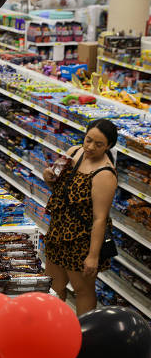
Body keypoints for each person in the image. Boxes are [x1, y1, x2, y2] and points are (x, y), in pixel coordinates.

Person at [43, 119, 118, 316]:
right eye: (88, 140)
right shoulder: (74, 152)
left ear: (108, 146)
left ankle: (85, 336)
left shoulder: (104, 174)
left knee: (82, 290)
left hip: (81, 240)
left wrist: (92, 256)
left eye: (99, 144)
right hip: (59, 230)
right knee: (53, 285)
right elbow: (58, 185)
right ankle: (53, 328)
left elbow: (100, 219)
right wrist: (47, 175)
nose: (90, 147)